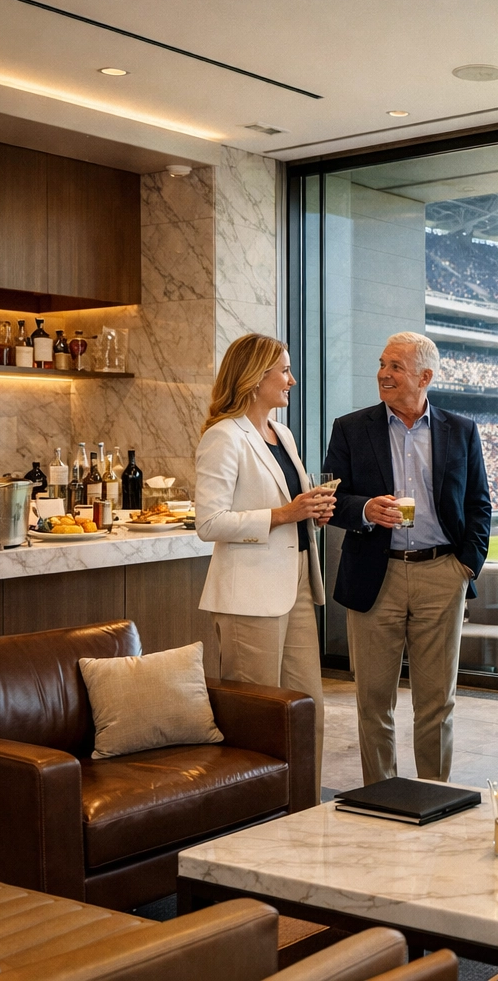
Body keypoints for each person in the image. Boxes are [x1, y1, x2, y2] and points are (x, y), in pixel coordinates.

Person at [323, 332, 491, 784]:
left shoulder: (461, 430)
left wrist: (465, 567)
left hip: (442, 574)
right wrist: (363, 509)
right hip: (376, 577)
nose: (384, 373)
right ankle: (381, 794)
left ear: (425, 376)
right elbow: (330, 499)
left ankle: (435, 794)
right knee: (374, 701)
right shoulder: (351, 428)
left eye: (396, 366)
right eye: (382, 363)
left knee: (437, 702)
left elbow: (480, 505)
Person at [196, 333, 334, 791]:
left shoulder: (283, 434)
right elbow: (210, 522)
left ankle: (305, 805)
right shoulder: (223, 436)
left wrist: (311, 512)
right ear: (256, 379)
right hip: (249, 595)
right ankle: (256, 809)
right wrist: (284, 514)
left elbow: (289, 506)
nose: (292, 380)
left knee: (306, 704)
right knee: (258, 713)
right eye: (285, 371)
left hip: (295, 582)